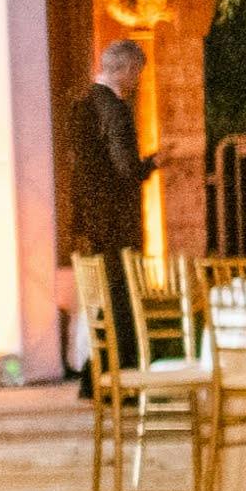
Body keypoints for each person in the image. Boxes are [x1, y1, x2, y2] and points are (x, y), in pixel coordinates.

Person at [63, 39, 154, 369]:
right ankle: (123, 372)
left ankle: (96, 373)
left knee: (98, 298)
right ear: (129, 69)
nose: (137, 81)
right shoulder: (115, 109)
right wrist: (154, 163)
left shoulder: (82, 104)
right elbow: (126, 169)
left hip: (89, 217)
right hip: (115, 220)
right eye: (138, 73)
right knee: (120, 296)